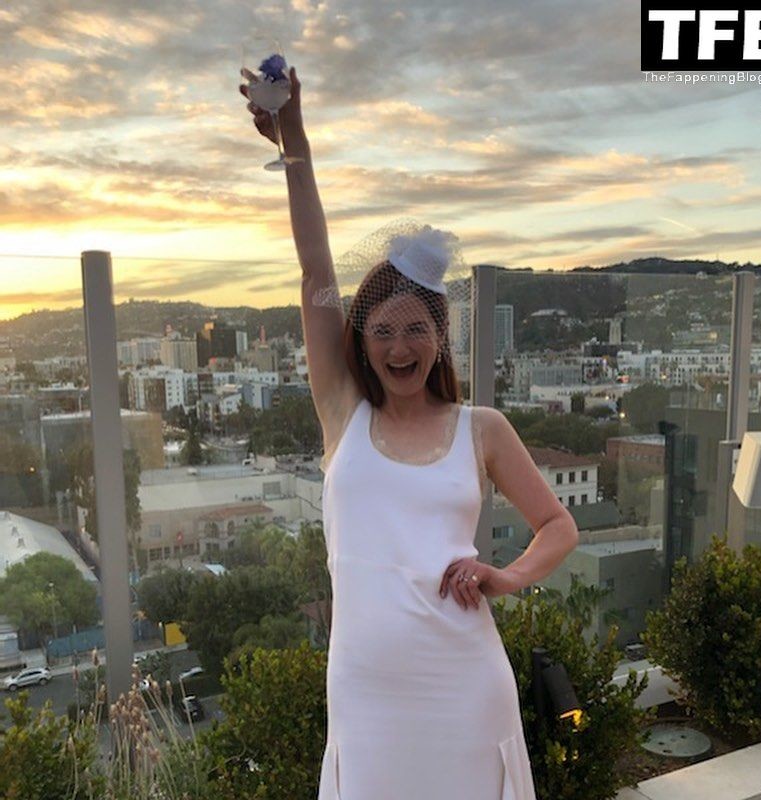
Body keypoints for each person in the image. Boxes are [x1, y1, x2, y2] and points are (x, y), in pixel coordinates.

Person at [240, 65, 579, 800]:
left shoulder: (482, 428)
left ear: (440, 335)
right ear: (361, 342)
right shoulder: (343, 413)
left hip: (465, 682)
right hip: (366, 692)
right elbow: (314, 270)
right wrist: (295, 144)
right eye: (383, 331)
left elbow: (559, 525)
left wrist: (507, 576)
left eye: (416, 330)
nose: (399, 348)